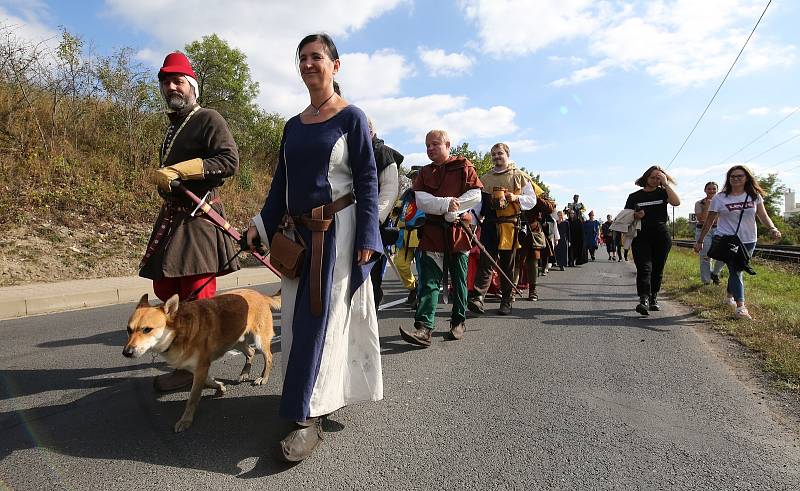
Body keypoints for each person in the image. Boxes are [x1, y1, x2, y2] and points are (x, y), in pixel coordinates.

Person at [246, 33, 382, 462]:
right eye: (302, 57)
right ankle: (308, 398)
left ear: (335, 66)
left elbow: (367, 181)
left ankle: (310, 417)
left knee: (322, 321)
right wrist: (260, 226)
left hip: (338, 234)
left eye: (316, 56)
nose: (308, 63)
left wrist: (366, 236)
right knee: (298, 320)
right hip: (299, 236)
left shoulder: (351, 118)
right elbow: (279, 187)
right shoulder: (291, 125)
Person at [140, 51, 240, 392]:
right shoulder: (173, 128)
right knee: (166, 289)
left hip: (199, 222)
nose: (171, 86)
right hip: (173, 221)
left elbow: (228, 160)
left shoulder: (208, 118)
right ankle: (184, 358)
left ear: (192, 85)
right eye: (166, 81)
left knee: (197, 300)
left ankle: (191, 369)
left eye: (177, 80)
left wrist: (181, 170)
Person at [399, 129, 482, 346]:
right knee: (429, 282)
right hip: (433, 232)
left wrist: (453, 211)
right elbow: (422, 201)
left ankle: (458, 321)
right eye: (427, 145)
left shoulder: (465, 166)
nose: (430, 149)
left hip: (458, 232)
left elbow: (475, 195)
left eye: (435, 144)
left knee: (459, 281)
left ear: (448, 145)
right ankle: (424, 328)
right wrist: (446, 205)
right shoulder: (425, 172)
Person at [694, 165, 781, 319]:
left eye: (739, 176)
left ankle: (729, 296)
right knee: (736, 269)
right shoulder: (720, 198)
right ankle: (741, 307)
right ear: (728, 179)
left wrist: (772, 228)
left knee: (737, 268)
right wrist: (700, 240)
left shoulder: (754, 196)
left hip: (749, 240)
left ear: (746, 177)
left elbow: (763, 216)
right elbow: (709, 221)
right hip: (727, 239)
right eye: (732, 176)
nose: (735, 179)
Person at [468, 143, 536, 315]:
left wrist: (516, 197)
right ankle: (478, 298)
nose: (496, 157)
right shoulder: (485, 178)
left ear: (507, 154)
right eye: (493, 154)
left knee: (507, 264)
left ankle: (506, 300)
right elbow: (478, 205)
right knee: (486, 261)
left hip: (509, 226)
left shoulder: (519, 176)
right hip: (490, 224)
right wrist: (472, 226)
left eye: (499, 153)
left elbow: (531, 200)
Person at [624, 165, 680, 315]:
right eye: (652, 177)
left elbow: (676, 202)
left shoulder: (663, 193)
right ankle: (643, 300)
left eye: (658, 178)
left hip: (661, 236)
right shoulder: (634, 196)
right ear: (645, 178)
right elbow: (626, 215)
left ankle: (653, 298)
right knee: (644, 268)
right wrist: (635, 216)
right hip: (641, 236)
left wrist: (666, 184)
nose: (655, 180)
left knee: (657, 269)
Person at [368, 118, 401, 306]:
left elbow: (389, 191)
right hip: (349, 222)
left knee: (371, 275)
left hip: (373, 225)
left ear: (371, 131)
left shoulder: (383, 154)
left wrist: (374, 221)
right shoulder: (352, 152)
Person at [694, 182, 725, 285]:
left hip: (718, 230)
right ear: (705, 190)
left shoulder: (722, 202)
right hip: (703, 230)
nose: (711, 191)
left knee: (723, 255)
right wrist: (708, 206)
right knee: (705, 257)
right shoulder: (699, 203)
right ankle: (706, 282)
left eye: (714, 189)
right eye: (709, 189)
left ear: (717, 190)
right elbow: (702, 219)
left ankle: (715, 273)